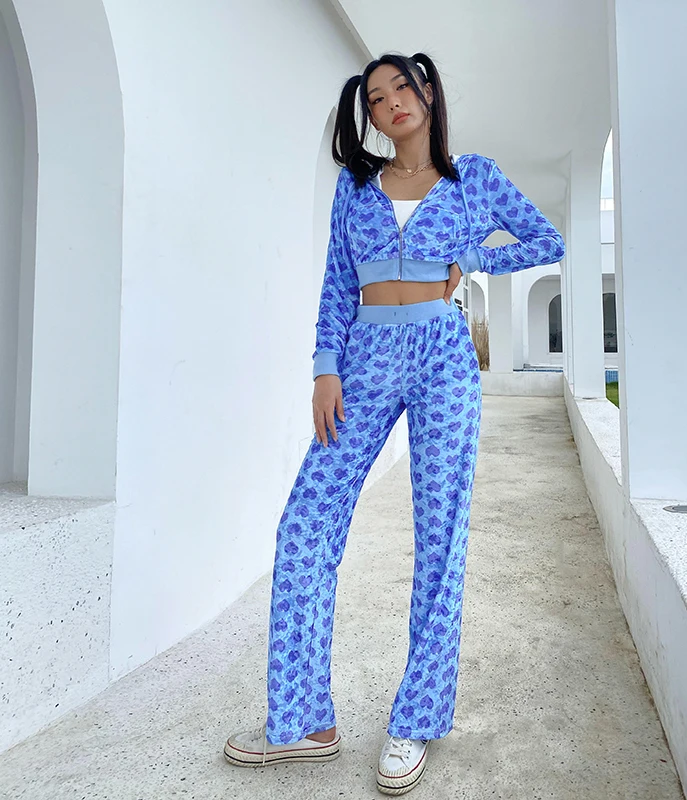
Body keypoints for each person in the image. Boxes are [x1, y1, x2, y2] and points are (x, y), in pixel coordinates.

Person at [223, 52, 565, 795]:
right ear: (370, 116)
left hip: (443, 354)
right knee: (306, 523)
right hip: (365, 354)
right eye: (376, 99)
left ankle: (415, 717)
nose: (391, 103)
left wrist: (472, 257)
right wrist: (325, 368)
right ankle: (303, 721)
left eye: (402, 87)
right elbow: (335, 283)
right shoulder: (357, 188)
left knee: (440, 533)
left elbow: (549, 240)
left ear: (428, 92)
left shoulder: (475, 177)